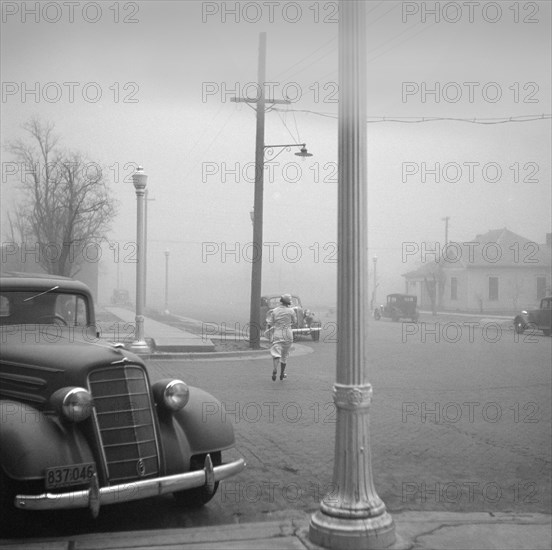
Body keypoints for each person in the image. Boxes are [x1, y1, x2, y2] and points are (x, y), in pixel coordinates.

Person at [265, 294, 297, 381]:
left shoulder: (274, 311)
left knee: (276, 353)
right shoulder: (291, 311)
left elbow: (270, 323)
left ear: (281, 301)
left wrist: (269, 333)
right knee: (285, 355)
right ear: (288, 303)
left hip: (277, 334)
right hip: (288, 334)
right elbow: (295, 321)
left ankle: (275, 369)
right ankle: (282, 373)